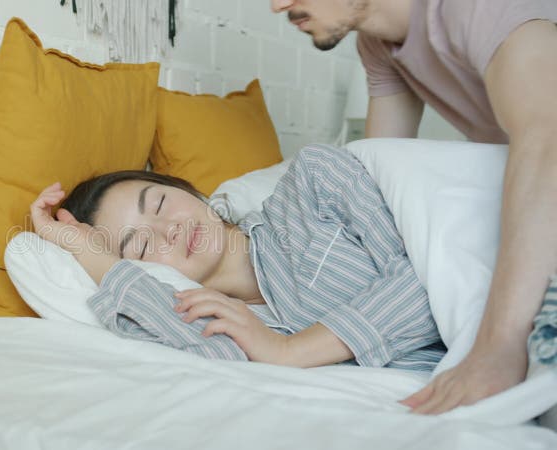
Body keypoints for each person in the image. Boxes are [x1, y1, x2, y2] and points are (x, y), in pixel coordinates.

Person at [269, 0, 557, 414]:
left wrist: (499, 345)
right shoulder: (377, 45)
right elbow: (379, 178)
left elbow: (547, 141)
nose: (278, 5)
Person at [30, 144, 445, 371]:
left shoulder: (313, 183)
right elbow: (208, 357)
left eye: (158, 203)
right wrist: (87, 252)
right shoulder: (229, 324)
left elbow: (431, 274)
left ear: (188, 189)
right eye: (141, 246)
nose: (167, 229)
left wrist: (293, 350)